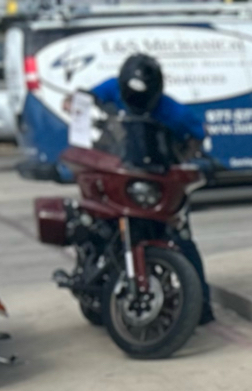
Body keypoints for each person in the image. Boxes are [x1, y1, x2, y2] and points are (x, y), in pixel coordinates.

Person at [86, 53, 214, 323]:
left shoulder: (174, 112)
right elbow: (83, 100)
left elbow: (199, 135)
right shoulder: (110, 88)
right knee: (95, 224)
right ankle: (92, 284)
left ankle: (201, 303)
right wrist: (80, 109)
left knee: (181, 238)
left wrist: (182, 159)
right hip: (121, 173)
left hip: (158, 180)